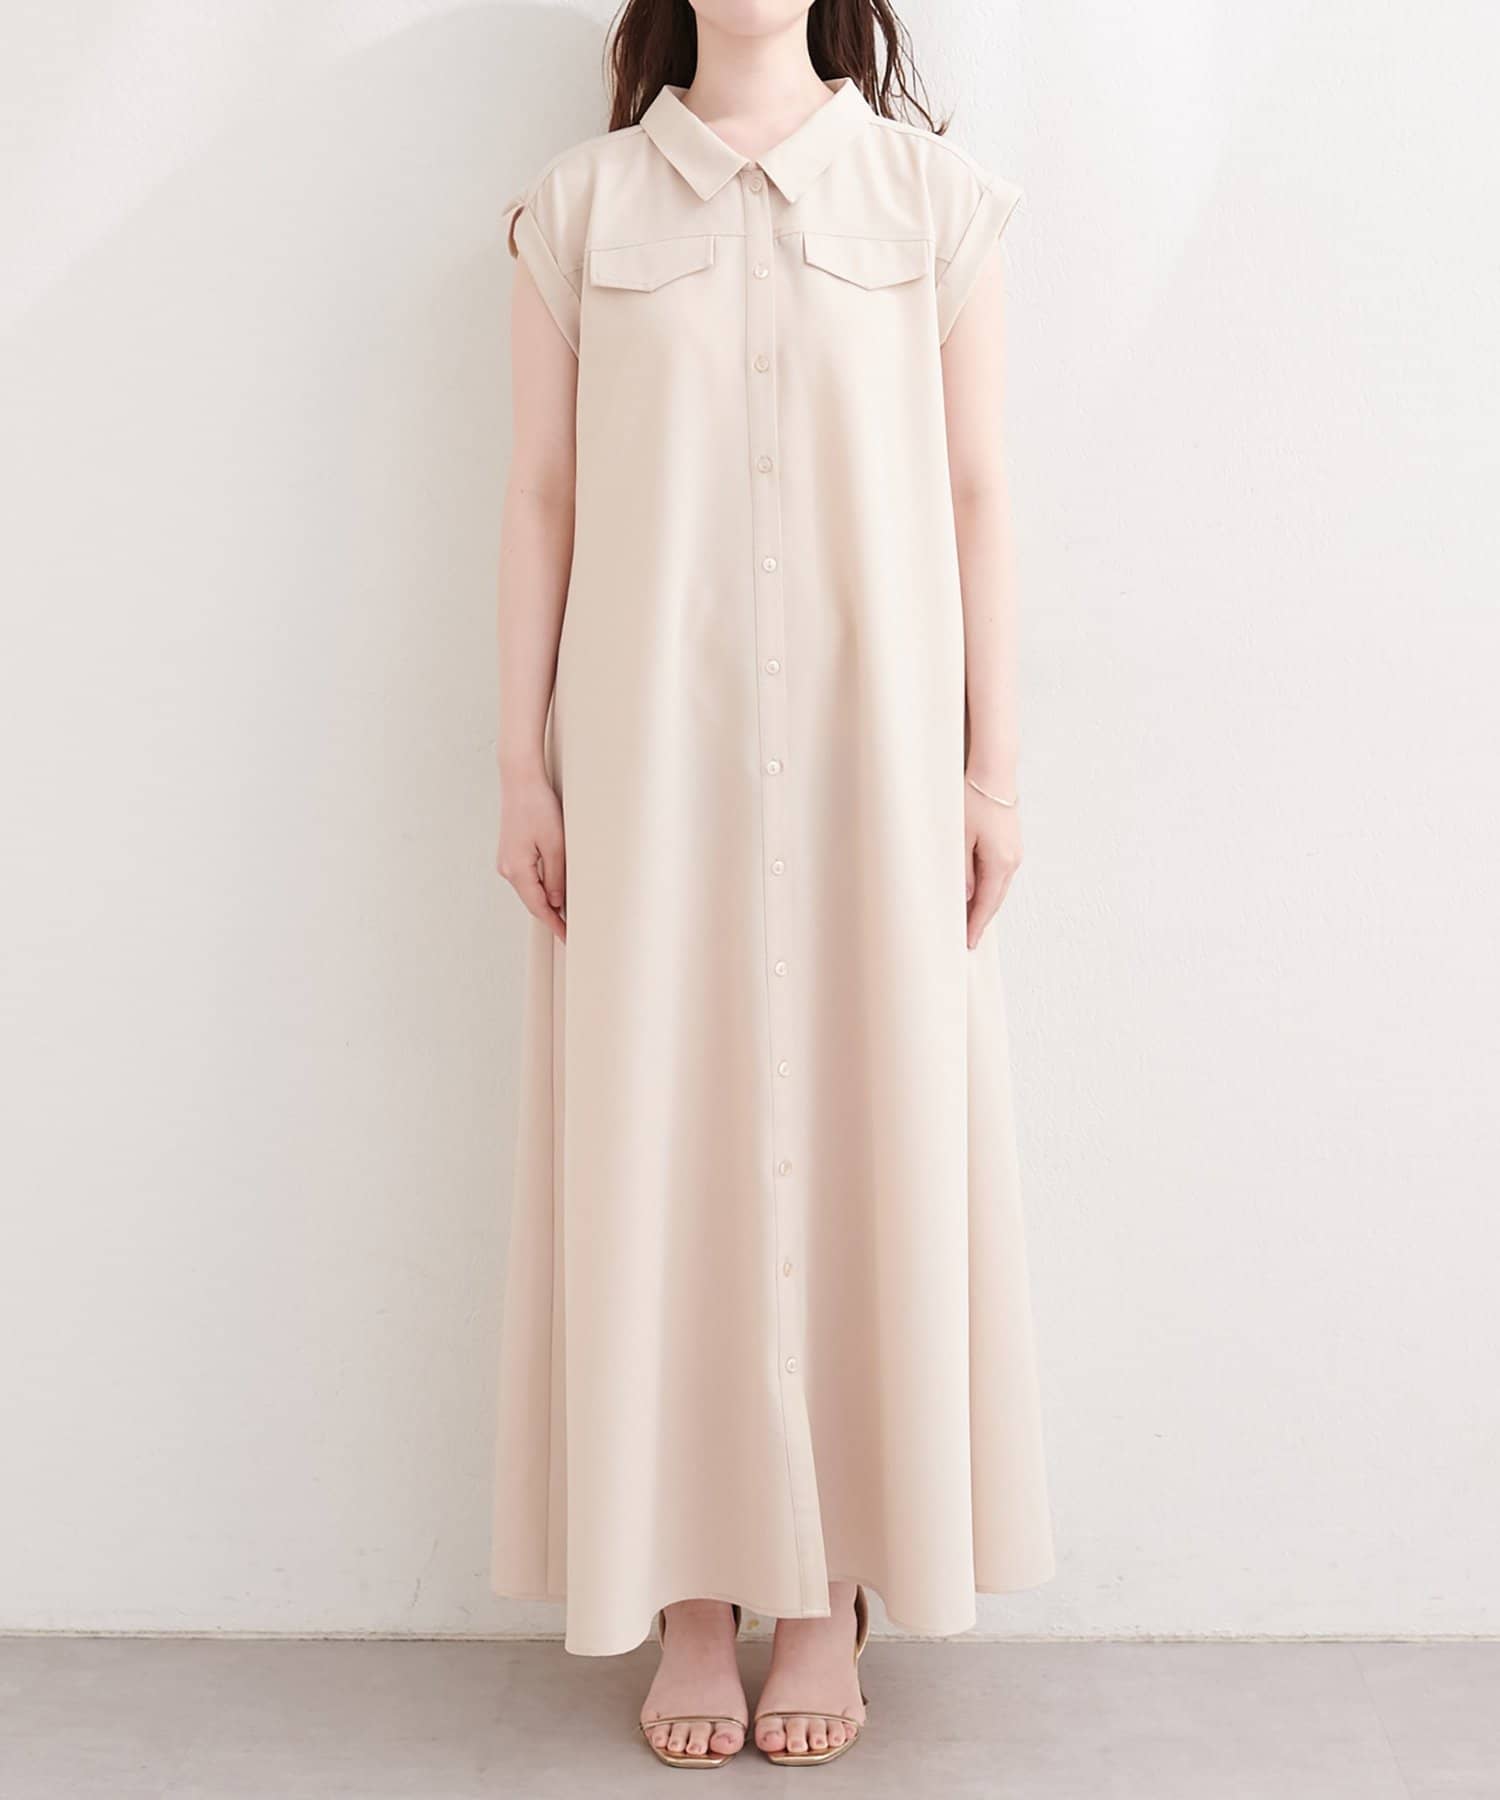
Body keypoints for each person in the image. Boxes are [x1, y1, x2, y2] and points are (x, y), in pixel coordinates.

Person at [492, 0, 1053, 1767]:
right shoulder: (581, 206)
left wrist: (991, 770)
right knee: (659, 1140)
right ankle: (688, 1599)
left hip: (872, 756)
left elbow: (978, 491)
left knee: (874, 1121)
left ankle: (828, 1600)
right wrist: (520, 765)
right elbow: (540, 497)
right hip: (650, 760)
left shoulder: (932, 201)